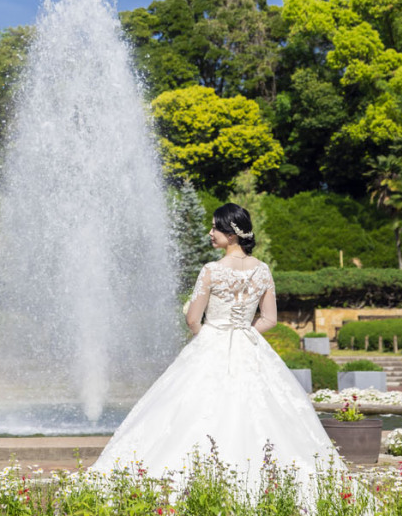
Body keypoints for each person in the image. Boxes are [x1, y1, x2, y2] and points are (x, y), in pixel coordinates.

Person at [92, 203, 340, 489]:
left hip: (212, 342)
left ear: (232, 234)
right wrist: (244, 332)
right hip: (249, 343)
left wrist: (207, 334)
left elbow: (192, 318)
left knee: (190, 409)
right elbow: (270, 319)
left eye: (215, 227)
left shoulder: (212, 270)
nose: (210, 233)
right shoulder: (263, 270)